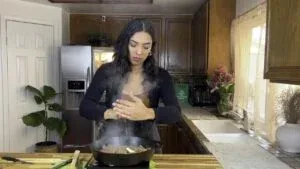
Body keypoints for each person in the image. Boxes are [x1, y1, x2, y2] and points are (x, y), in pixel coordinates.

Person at [79, 18, 181, 152]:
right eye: (133, 44)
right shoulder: (106, 71)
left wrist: (147, 113)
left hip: (147, 144)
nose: (139, 52)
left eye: (146, 46)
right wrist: (110, 113)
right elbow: (85, 107)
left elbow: (175, 113)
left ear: (151, 48)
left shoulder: (161, 76)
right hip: (111, 143)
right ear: (125, 44)